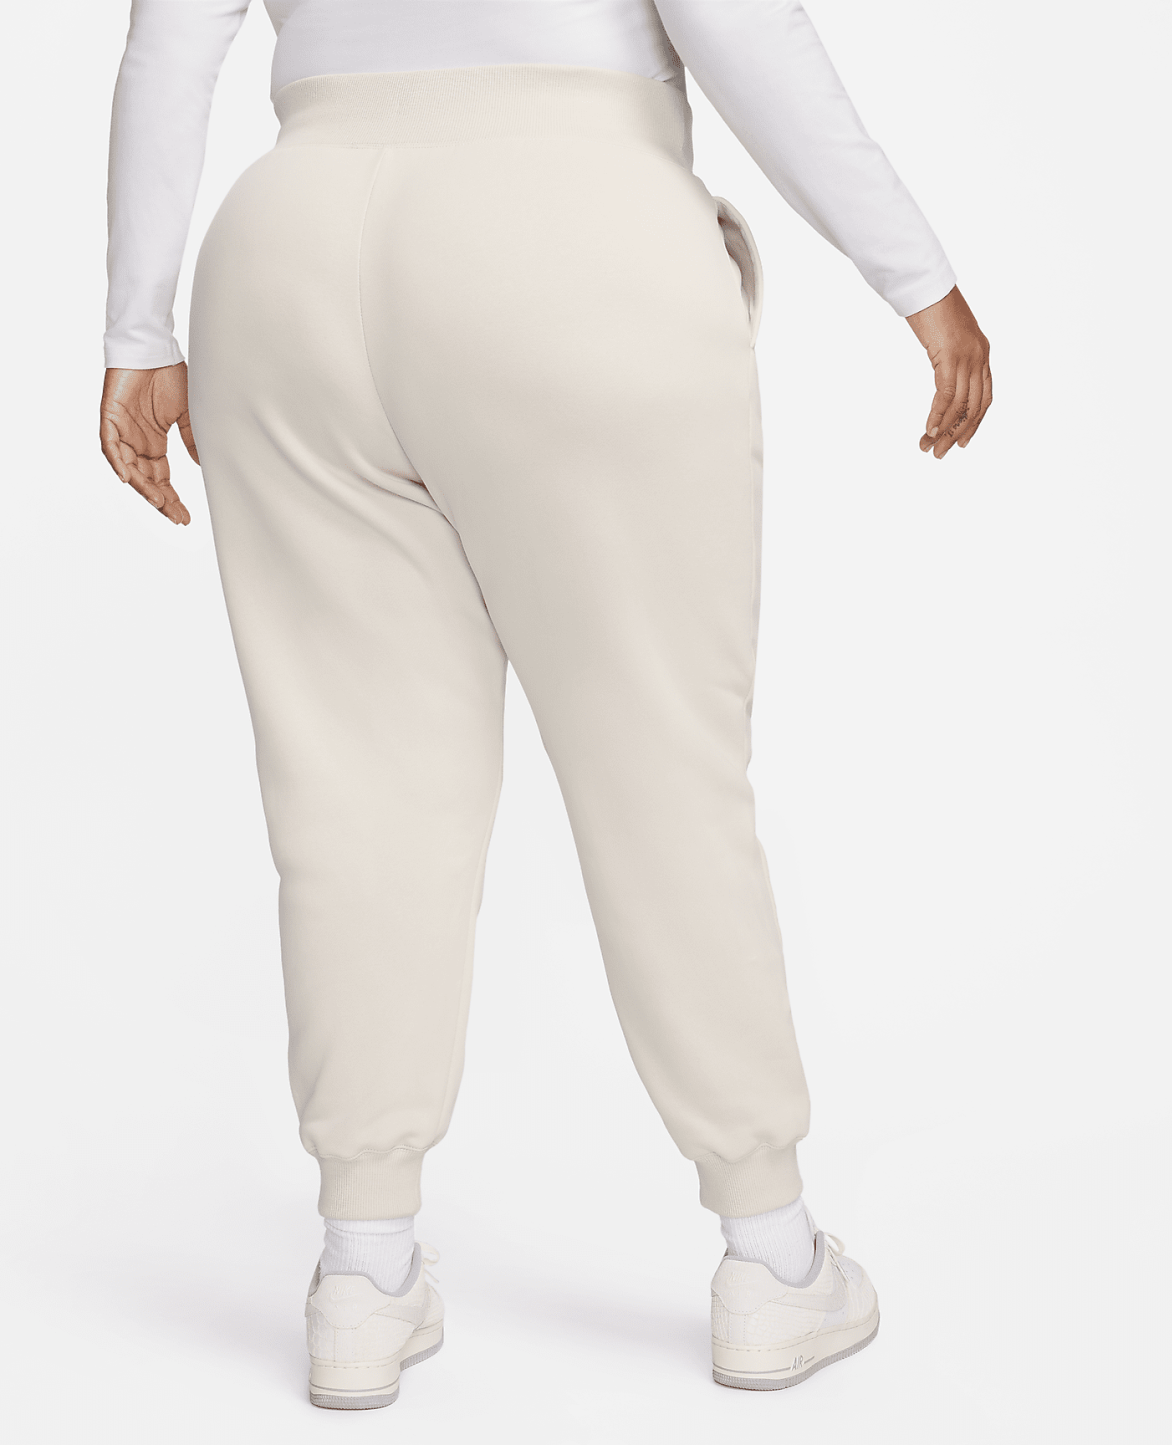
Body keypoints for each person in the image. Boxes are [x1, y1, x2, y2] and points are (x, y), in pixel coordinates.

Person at [98, 0, 991, 1407]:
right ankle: (770, 1254)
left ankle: (363, 1271)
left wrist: (137, 324)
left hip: (288, 248)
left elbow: (168, 46)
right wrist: (916, 273)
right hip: (573, 233)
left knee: (354, 789)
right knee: (658, 762)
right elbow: (736, 22)